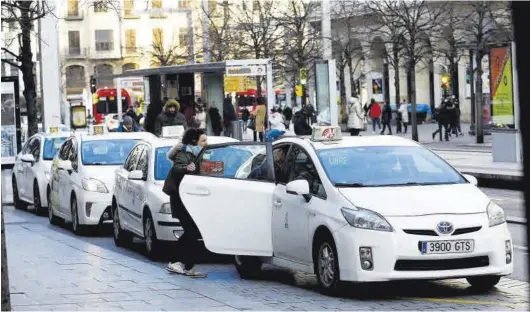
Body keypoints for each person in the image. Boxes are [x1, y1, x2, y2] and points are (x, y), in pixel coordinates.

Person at [164, 128, 207, 278]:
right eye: (203, 140)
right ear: (195, 142)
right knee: (192, 232)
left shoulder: (200, 155)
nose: (206, 143)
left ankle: (187, 265)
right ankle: (178, 262)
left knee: (192, 232)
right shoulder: (185, 154)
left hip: (190, 199)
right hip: (181, 200)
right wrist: (187, 168)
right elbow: (177, 169)